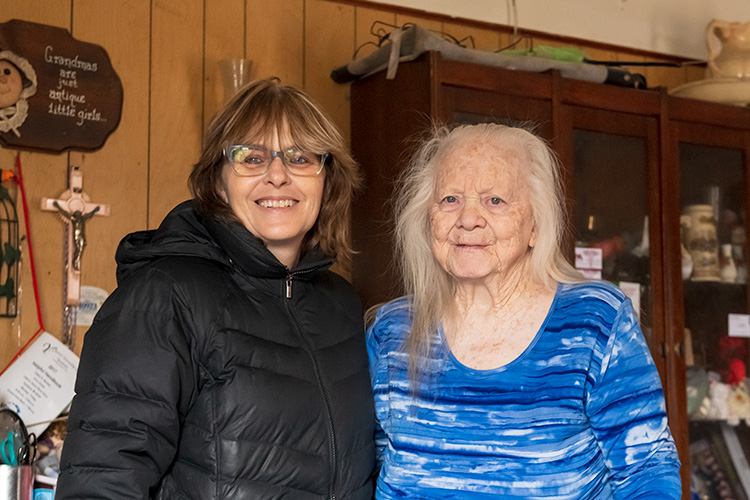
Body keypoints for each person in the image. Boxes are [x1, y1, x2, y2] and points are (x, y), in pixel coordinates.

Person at [56, 78, 376, 499]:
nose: (277, 175)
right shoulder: (164, 296)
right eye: (250, 157)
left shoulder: (342, 305)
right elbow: (101, 482)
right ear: (219, 181)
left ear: (326, 179)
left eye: (300, 158)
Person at [367, 123, 682, 499]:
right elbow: (368, 466)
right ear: (427, 218)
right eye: (450, 199)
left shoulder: (593, 322)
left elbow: (647, 471)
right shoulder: (392, 331)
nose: (468, 219)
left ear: (536, 225)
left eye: (494, 200)